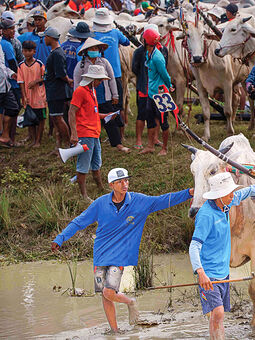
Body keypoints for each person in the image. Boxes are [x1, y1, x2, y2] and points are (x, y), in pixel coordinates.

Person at [52, 167, 194, 334]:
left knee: (108, 291)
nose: (125, 184)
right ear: (111, 185)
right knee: (105, 295)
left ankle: (130, 302)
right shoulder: (100, 203)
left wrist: (189, 193)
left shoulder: (139, 201)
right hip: (100, 254)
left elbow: (162, 200)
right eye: (120, 182)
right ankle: (115, 330)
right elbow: (79, 222)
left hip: (120, 255)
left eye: (126, 180)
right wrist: (60, 238)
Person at [189, 172, 255, 340]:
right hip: (209, 275)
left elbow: (241, 194)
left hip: (223, 272)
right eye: (229, 193)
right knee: (218, 313)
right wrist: (200, 272)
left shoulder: (226, 204)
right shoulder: (206, 216)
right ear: (219, 196)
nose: (232, 195)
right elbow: (194, 246)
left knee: (217, 315)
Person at [74, 38, 130, 153]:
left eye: (96, 48)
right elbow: (77, 82)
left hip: (104, 96)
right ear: (86, 51)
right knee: (90, 120)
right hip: (88, 97)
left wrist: (115, 95)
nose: (94, 50)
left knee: (110, 120)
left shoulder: (104, 62)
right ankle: (91, 143)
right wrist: (77, 99)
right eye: (91, 48)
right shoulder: (81, 65)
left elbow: (112, 79)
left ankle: (117, 143)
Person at [69, 64, 111, 200]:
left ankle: (100, 188)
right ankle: (84, 195)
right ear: (93, 79)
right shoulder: (80, 91)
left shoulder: (91, 91)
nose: (100, 83)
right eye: (99, 80)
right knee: (83, 165)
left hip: (94, 133)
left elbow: (91, 113)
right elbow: (72, 111)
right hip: (85, 133)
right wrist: (74, 133)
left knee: (96, 163)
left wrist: (105, 116)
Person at [92, 8, 130, 136]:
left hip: (97, 75)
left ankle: (102, 132)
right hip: (115, 74)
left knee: (101, 104)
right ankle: (121, 134)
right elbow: (127, 42)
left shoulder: (92, 35)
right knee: (118, 103)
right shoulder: (115, 33)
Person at [132, 24, 169, 151]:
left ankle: (157, 142)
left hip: (158, 89)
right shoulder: (140, 52)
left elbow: (164, 71)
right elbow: (135, 69)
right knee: (144, 114)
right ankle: (142, 141)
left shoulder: (161, 51)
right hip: (145, 88)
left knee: (160, 117)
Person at [141, 28, 172, 156]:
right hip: (151, 93)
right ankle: (150, 146)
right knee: (150, 119)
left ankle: (164, 148)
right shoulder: (149, 53)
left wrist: (169, 86)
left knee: (164, 121)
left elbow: (165, 75)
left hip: (161, 94)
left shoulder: (157, 57)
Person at [44, 27, 73, 148]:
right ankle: (59, 145)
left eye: (45, 37)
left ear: (50, 38)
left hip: (56, 90)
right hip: (54, 89)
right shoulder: (56, 52)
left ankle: (67, 144)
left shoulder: (57, 54)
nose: (44, 39)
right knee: (56, 118)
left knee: (58, 117)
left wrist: (68, 80)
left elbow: (60, 73)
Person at [18, 40, 47, 147]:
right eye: (25, 51)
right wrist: (24, 96)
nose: (27, 53)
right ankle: (33, 138)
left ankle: (38, 140)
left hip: (39, 96)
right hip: (28, 96)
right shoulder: (21, 66)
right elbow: (21, 82)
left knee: (40, 118)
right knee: (30, 117)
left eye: (29, 51)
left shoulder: (39, 64)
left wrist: (36, 81)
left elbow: (45, 77)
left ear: (34, 51)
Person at [0, 21, 20, 146]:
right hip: (4, 84)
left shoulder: (2, 45)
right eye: (10, 28)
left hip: (5, 82)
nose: (13, 31)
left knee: (10, 108)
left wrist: (11, 73)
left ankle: (5, 135)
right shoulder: (5, 44)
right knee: (12, 108)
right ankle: (6, 136)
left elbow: (3, 66)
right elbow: (12, 61)